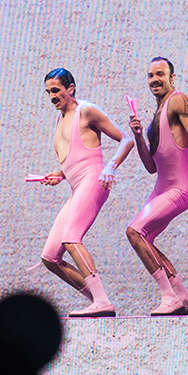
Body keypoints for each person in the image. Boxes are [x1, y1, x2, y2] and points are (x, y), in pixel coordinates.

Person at [36, 68, 134, 318]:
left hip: (94, 181)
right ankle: (98, 300)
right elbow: (76, 158)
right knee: (50, 257)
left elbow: (126, 139)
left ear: (71, 88)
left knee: (71, 238)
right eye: (48, 92)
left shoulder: (86, 110)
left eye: (56, 90)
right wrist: (60, 173)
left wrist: (110, 167)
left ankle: (101, 302)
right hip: (77, 185)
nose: (51, 96)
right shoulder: (59, 118)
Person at [125, 57, 188, 316]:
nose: (154, 79)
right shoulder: (156, 114)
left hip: (179, 189)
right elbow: (151, 166)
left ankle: (168, 297)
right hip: (162, 187)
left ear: (172, 77)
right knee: (143, 238)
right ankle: (185, 299)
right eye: (150, 75)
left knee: (135, 231)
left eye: (160, 74)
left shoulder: (178, 100)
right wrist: (139, 137)